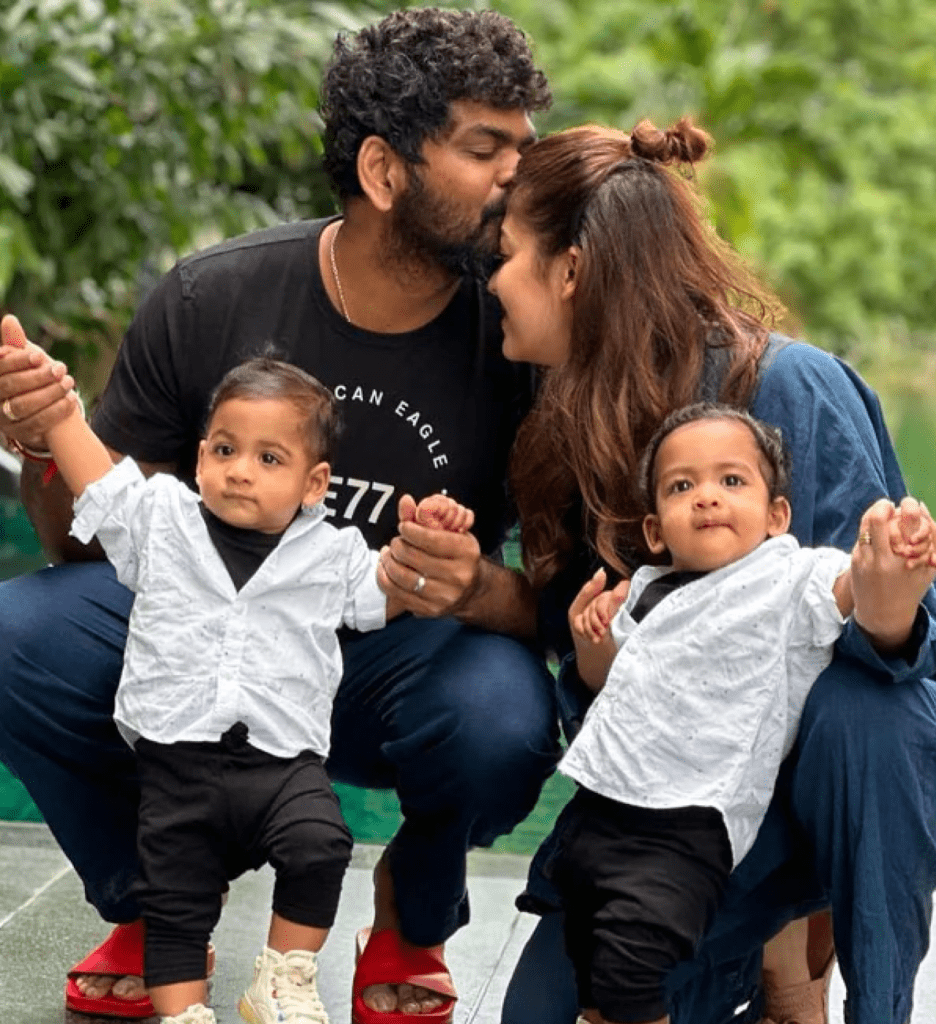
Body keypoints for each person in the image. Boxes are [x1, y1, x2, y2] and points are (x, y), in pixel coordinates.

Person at [0, 8, 558, 1023]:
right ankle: (157, 899)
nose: (518, 177)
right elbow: (82, 543)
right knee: (17, 635)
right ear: (386, 173)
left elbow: (570, 604)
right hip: (203, 661)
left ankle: (411, 914)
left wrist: (477, 587)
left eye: (524, 147)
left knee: (502, 716)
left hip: (389, 666)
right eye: (486, 150)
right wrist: (46, 437)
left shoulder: (522, 327)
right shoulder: (215, 297)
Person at [489, 119, 936, 1024]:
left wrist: (887, 596)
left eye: (504, 255)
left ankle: (856, 990)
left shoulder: (791, 389)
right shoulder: (568, 416)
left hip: (815, 789)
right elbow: (603, 674)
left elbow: (892, 662)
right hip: (673, 827)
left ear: (570, 272)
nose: (489, 281)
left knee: (864, 713)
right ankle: (746, 957)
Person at [36, 351, 475, 1024]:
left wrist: (425, 544)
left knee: (320, 843)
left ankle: (283, 976)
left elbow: (385, 593)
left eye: (270, 458)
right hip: (176, 759)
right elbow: (100, 482)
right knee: (175, 901)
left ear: (313, 482)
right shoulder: (162, 522)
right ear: (201, 454)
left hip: (282, 760)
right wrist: (62, 410)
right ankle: (184, 1013)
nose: (240, 469)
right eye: (224, 448)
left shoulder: (332, 552)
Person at [554, 402, 936, 1024]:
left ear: (777, 516)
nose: (707, 498)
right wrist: (591, 643)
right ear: (655, 529)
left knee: (634, 957)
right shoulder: (647, 588)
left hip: (690, 817)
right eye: (683, 486)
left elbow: (853, 590)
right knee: (591, 954)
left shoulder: (789, 575)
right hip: (605, 807)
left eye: (732, 481)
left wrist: (887, 562)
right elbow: (606, 683)